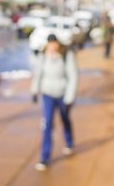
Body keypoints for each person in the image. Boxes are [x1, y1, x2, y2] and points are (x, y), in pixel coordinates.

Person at [30, 34, 78, 171]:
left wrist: (70, 97)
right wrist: (34, 90)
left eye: (54, 43)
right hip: (48, 94)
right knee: (47, 124)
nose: (52, 46)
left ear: (58, 44)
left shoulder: (66, 55)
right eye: (50, 44)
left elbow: (73, 76)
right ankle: (45, 157)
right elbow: (38, 73)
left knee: (65, 119)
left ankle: (69, 142)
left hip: (63, 94)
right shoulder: (43, 56)